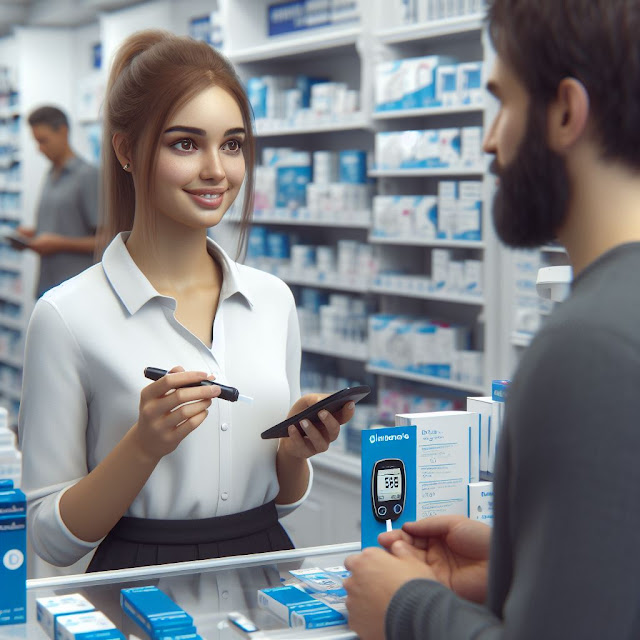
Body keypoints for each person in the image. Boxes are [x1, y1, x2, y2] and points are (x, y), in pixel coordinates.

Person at [343, 0, 640, 638]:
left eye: (502, 101)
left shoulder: (588, 345)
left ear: (565, 111)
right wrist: (514, 565)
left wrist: (407, 607)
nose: (488, 138)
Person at [18, 30, 354, 572]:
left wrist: (294, 454)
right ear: (127, 150)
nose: (216, 172)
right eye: (185, 144)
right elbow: (51, 539)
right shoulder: (65, 316)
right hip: (137, 581)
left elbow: (286, 501)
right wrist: (143, 445)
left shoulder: (272, 301)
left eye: (232, 144)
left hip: (263, 568)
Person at [16, 106, 99, 297]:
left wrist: (60, 244)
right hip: (49, 285)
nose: (40, 149)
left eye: (43, 141)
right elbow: (63, 224)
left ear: (63, 131)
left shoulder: (88, 176)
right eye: (36, 142)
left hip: (76, 290)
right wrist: (32, 236)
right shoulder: (51, 175)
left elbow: (106, 240)